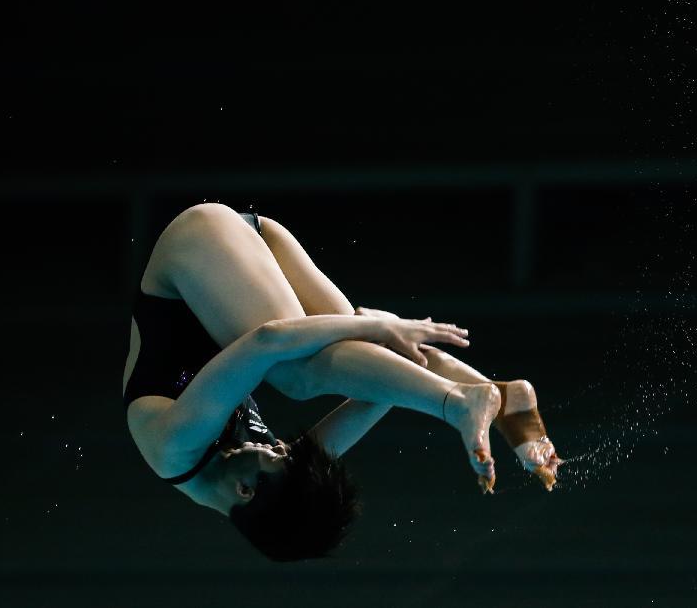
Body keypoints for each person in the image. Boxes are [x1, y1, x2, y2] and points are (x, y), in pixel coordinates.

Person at [122, 203, 563, 561]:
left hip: (199, 243)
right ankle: (502, 398)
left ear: (245, 491)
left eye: (278, 454)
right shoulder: (265, 474)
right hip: (250, 247)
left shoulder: (177, 445)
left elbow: (268, 338)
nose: (282, 446)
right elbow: (377, 390)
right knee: (359, 362)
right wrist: (381, 335)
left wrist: (377, 330)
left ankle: (459, 403)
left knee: (295, 373)